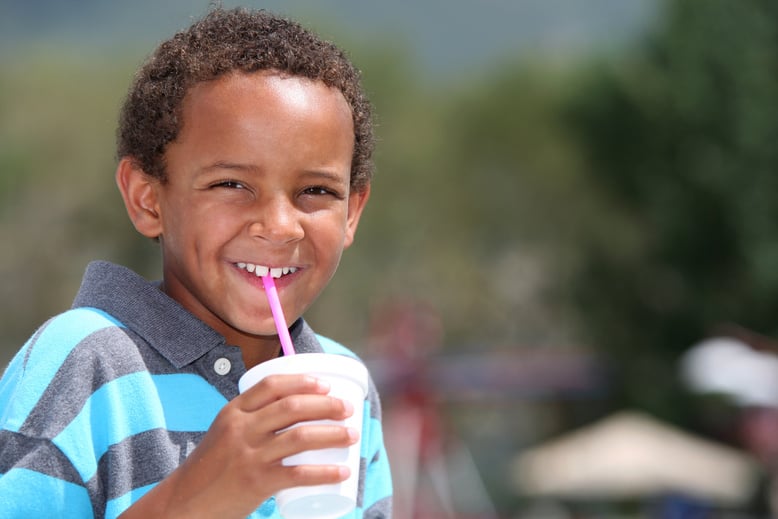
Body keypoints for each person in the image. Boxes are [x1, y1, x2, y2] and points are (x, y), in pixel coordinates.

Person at [0, 7, 392, 518]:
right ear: (147, 199)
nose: (279, 225)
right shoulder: (85, 365)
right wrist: (194, 500)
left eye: (315, 191)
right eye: (231, 184)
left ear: (351, 213)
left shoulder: (344, 387)